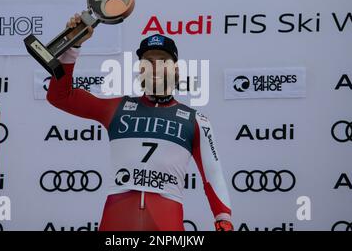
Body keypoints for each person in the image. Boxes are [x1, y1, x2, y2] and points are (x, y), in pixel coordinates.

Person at [46, 13, 233, 231]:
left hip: (166, 222)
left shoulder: (195, 121)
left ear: (177, 70)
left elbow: (213, 174)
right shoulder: (116, 108)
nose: (155, 67)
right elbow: (60, 96)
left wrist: (223, 218)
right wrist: (72, 46)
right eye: (149, 61)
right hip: (117, 219)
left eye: (163, 61)